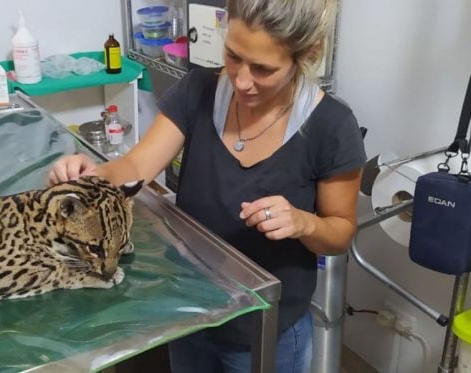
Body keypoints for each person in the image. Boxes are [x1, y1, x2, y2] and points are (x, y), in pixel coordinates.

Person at [48, 0, 366, 371]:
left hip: (267, 330)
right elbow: (137, 165)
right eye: (233, 56)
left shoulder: (330, 127)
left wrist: (303, 223)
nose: (242, 80)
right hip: (193, 310)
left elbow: (340, 231)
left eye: (263, 69)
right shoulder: (199, 90)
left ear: (306, 56)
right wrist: (93, 178)